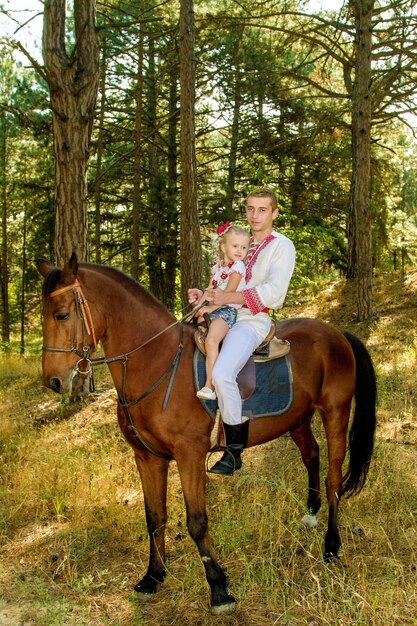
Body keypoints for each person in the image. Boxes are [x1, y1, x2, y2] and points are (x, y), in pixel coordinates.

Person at [188, 188, 296, 475]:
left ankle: (234, 452)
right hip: (224, 312)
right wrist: (206, 294)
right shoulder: (239, 241)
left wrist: (226, 300)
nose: (255, 215)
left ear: (274, 213)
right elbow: (224, 281)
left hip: (252, 320)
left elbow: (273, 292)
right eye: (250, 209)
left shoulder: (281, 246)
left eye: (262, 209)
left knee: (223, 373)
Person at [195, 222, 250, 401]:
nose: (240, 250)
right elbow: (209, 290)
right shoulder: (218, 267)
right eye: (235, 246)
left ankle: (210, 385)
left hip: (227, 311)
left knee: (211, 340)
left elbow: (228, 294)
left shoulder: (238, 267)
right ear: (223, 246)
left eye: (244, 247)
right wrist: (198, 307)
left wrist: (209, 308)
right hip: (214, 308)